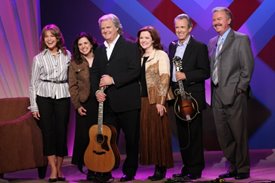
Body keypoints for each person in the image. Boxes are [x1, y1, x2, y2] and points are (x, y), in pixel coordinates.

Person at [91, 13, 141, 182]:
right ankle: (105, 170)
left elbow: (135, 71)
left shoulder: (131, 46)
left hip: (127, 101)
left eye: (108, 27)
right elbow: (95, 72)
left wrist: (113, 80)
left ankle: (129, 172)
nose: (105, 31)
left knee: (131, 139)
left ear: (117, 27)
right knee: (107, 139)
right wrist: (97, 91)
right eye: (102, 28)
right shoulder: (98, 49)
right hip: (107, 102)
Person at [208, 7, 254, 180]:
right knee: (224, 135)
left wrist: (240, 90)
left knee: (238, 133)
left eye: (220, 19)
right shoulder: (212, 41)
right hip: (217, 95)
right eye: (214, 20)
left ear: (229, 20)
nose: (216, 22)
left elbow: (247, 68)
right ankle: (233, 165)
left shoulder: (241, 39)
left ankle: (243, 168)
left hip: (234, 94)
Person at [168, 14, 210, 181]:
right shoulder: (172, 46)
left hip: (193, 97)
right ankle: (186, 167)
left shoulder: (199, 47)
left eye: (182, 27)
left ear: (190, 28)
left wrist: (186, 75)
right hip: (178, 97)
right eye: (177, 27)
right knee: (183, 135)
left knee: (194, 134)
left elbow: (205, 72)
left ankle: (196, 169)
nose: (179, 30)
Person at [29, 24, 71, 182]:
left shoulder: (68, 55)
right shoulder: (38, 58)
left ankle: (60, 168)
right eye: (46, 36)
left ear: (58, 37)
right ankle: (53, 169)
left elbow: (73, 78)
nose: (49, 39)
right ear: (43, 39)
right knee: (48, 132)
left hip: (63, 94)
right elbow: (33, 84)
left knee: (61, 131)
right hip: (43, 96)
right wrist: (34, 106)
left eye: (52, 36)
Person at [137, 26, 174, 181]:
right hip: (142, 100)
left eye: (147, 37)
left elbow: (165, 78)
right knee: (149, 134)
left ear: (153, 39)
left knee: (159, 134)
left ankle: (161, 168)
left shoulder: (161, 55)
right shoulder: (138, 56)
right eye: (141, 38)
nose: (144, 40)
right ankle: (155, 167)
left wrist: (161, 101)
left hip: (156, 100)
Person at [68, 32, 99, 178]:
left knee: (99, 137)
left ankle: (101, 166)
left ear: (91, 44)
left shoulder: (101, 58)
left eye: (85, 43)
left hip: (101, 103)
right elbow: (72, 86)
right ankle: (89, 168)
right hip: (84, 104)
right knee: (85, 137)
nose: (83, 46)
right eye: (80, 44)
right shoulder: (75, 63)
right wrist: (77, 105)